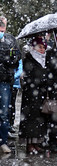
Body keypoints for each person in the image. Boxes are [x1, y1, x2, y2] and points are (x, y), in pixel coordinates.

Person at [19, 37, 48, 154]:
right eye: (40, 47)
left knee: (38, 119)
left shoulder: (44, 60)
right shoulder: (29, 60)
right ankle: (29, 144)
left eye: (43, 47)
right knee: (30, 119)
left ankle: (36, 143)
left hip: (40, 94)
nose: (42, 50)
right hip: (30, 95)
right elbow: (27, 78)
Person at [0, 15, 20, 153]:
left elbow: (17, 58)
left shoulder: (11, 39)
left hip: (5, 81)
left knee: (4, 113)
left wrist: (9, 58)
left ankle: (2, 141)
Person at [9, 59, 22, 138]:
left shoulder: (16, 55)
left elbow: (20, 69)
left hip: (14, 84)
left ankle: (10, 124)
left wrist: (12, 77)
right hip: (9, 82)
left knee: (12, 105)